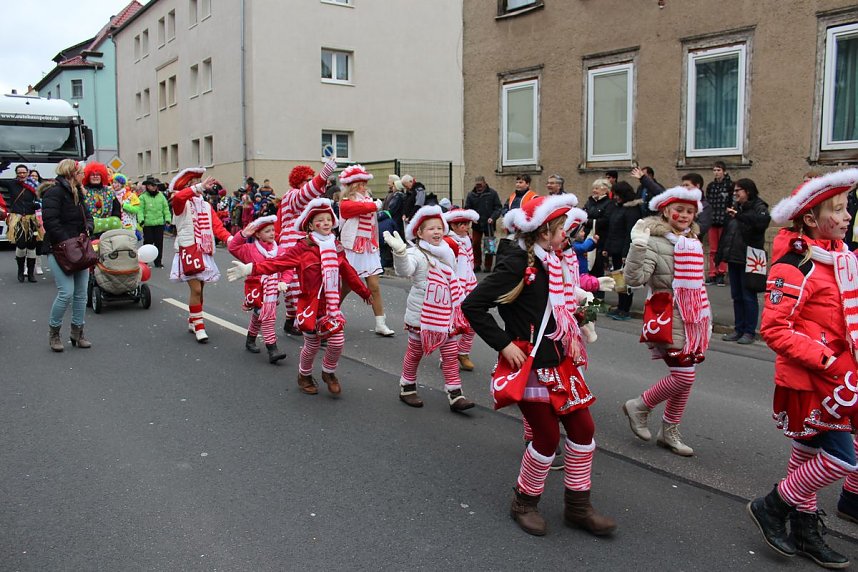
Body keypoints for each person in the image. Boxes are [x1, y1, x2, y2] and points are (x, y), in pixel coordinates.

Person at [462, 194, 615, 537]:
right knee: (546, 438)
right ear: (545, 232)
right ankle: (524, 503)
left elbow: (552, 308)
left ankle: (578, 507)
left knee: (583, 431)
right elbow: (473, 305)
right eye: (561, 228)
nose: (567, 235)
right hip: (532, 365)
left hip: (559, 362)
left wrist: (580, 313)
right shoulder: (518, 263)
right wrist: (503, 344)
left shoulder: (553, 260)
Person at [747, 169, 858, 569]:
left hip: (838, 378)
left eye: (848, 208)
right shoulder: (795, 265)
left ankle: (805, 529)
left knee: (806, 452)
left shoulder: (842, 257)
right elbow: (774, 329)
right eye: (840, 209)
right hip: (812, 378)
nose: (848, 216)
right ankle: (771, 506)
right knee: (843, 459)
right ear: (810, 219)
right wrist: (827, 359)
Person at [230, 199, 372, 396]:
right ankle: (304, 375)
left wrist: (365, 292)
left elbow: (348, 271)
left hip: (330, 306)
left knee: (337, 341)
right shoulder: (302, 248)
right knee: (312, 344)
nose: (325, 223)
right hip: (309, 305)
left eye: (328, 219)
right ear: (311, 225)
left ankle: (328, 373)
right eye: (320, 220)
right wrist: (251, 268)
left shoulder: (335, 246)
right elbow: (277, 263)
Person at [622, 185, 711, 457]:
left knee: (687, 377)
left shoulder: (692, 242)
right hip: (667, 315)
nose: (684, 215)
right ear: (666, 211)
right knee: (684, 376)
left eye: (689, 211)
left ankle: (669, 432)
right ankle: (640, 405)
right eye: (679, 210)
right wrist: (638, 246)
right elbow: (633, 279)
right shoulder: (654, 240)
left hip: (693, 319)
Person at [382, 205, 475, 412]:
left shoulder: (447, 251)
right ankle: (407, 387)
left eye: (439, 228)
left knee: (450, 354)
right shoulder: (416, 253)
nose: (437, 232)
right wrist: (399, 253)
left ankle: (455, 393)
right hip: (422, 316)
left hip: (446, 314)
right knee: (415, 352)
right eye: (431, 229)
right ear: (419, 233)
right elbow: (405, 270)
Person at [169, 168, 234, 343]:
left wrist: (231, 240)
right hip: (188, 250)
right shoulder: (180, 204)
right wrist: (198, 187)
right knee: (196, 289)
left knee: (201, 290)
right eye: (192, 184)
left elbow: (217, 226)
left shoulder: (205, 205)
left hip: (204, 250)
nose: (198, 187)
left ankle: (193, 320)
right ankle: (199, 327)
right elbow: (180, 197)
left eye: (198, 183)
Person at [277, 158, 338, 335]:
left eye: (311, 179)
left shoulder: (310, 202)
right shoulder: (293, 195)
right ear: (298, 182)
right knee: (297, 286)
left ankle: (292, 320)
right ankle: (305, 323)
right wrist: (323, 175)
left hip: (307, 244)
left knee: (305, 285)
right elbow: (305, 193)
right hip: (293, 245)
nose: (310, 183)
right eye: (306, 180)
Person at [41, 159, 94, 352]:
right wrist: (66, 242)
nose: (83, 176)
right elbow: (50, 221)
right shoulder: (53, 192)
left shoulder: (78, 192)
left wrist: (88, 228)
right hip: (59, 248)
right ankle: (54, 333)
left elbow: (88, 216)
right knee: (66, 292)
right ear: (72, 173)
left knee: (81, 294)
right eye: (80, 172)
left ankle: (77, 332)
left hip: (79, 247)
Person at [338, 164, 396, 336]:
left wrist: (373, 205)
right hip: (352, 249)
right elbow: (353, 210)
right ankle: (329, 313)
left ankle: (380, 323)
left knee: (374, 287)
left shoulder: (368, 201)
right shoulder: (346, 203)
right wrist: (373, 205)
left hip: (369, 249)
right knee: (346, 286)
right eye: (360, 185)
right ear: (352, 186)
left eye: (364, 184)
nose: (364, 187)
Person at [226, 215, 288, 364]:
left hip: (273, 291)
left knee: (257, 315)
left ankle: (250, 339)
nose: (272, 233)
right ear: (258, 234)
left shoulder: (280, 251)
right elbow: (233, 247)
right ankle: (272, 349)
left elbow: (288, 268)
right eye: (267, 231)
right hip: (256, 290)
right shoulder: (249, 249)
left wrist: (284, 281)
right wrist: (243, 235)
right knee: (267, 317)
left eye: (273, 230)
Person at [716, 179, 770, 345]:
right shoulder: (736, 208)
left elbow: (760, 223)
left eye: (738, 190)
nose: (735, 194)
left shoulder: (759, 207)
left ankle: (749, 331)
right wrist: (720, 254)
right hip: (734, 257)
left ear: (748, 191)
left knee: (749, 296)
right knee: (737, 296)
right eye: (734, 191)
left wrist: (739, 215)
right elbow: (728, 233)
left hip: (751, 258)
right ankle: (738, 329)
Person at [443, 207, 480, 371]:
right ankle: (447, 355)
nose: (465, 227)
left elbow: (470, 265)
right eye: (461, 224)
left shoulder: (467, 239)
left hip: (470, 285)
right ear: (453, 225)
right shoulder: (449, 242)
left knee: (473, 322)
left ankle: (463, 352)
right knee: (451, 324)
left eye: (467, 224)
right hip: (455, 286)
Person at [603, 181, 642, 320]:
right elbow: (611, 229)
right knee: (619, 280)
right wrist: (607, 248)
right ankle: (620, 306)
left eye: (618, 195)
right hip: (615, 249)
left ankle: (625, 309)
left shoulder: (632, 210)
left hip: (624, 250)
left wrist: (626, 253)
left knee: (626, 281)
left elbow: (630, 233)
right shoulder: (617, 208)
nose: (616, 197)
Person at [1, 164, 43, 282]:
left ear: (27, 173)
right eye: (19, 173)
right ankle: (20, 271)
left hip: (31, 219)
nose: (22, 175)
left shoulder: (34, 185)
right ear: (16, 173)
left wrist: (37, 205)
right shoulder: (11, 184)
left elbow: (43, 199)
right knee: (21, 244)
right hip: (17, 218)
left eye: (24, 172)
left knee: (32, 246)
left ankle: (30, 273)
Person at [464, 176, 502, 272]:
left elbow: (498, 208)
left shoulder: (492, 193)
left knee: (489, 245)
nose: (478, 187)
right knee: (475, 243)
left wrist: (492, 218)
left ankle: (488, 266)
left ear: (485, 183)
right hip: (476, 224)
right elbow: (467, 209)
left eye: (480, 185)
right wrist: (471, 218)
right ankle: (477, 264)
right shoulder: (471, 195)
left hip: (489, 224)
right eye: (477, 185)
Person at [583, 178, 613, 299]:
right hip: (588, 238)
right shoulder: (590, 201)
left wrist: (589, 221)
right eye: (593, 188)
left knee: (598, 268)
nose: (594, 190)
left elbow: (605, 221)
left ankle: (598, 297)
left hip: (600, 239)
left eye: (597, 188)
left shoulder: (608, 203)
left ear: (605, 190)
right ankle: (588, 295)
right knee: (587, 267)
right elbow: (583, 214)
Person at [705, 162, 733, 286]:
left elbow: (732, 202)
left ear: (724, 171)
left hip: (724, 221)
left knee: (723, 248)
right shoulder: (711, 186)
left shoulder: (730, 185)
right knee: (713, 249)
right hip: (713, 221)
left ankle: (721, 273)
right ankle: (712, 273)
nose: (716, 172)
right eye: (714, 170)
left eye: (719, 170)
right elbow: (708, 203)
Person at [138, 178, 171, 268]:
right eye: (152, 185)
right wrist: (141, 220)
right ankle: (145, 261)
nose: (154, 187)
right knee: (148, 241)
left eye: (155, 185)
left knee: (159, 242)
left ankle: (158, 261)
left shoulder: (161, 196)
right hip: (148, 224)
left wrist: (168, 219)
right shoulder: (143, 197)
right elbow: (140, 210)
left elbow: (166, 208)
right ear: (147, 186)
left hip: (159, 223)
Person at [82, 162, 121, 228]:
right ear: (88, 177)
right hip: (89, 228)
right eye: (92, 174)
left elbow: (116, 210)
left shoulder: (109, 192)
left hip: (108, 228)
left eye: (98, 174)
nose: (95, 176)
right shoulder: (83, 191)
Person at [111, 173, 142, 239]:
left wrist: (124, 205)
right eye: (113, 183)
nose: (114, 185)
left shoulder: (131, 195)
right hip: (115, 226)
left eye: (116, 183)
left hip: (129, 226)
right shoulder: (110, 195)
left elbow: (136, 210)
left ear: (122, 184)